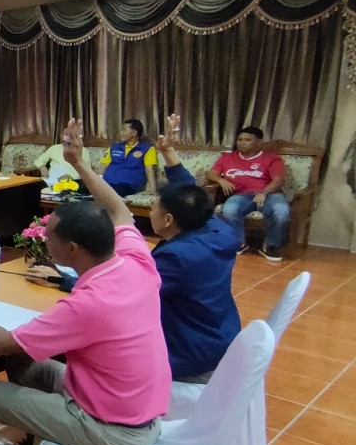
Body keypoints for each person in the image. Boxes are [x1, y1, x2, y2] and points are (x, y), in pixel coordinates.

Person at [0, 118, 169, 445]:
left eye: (49, 236)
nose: (44, 240)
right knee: (25, 367)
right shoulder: (136, 261)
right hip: (130, 409)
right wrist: (79, 163)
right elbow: (121, 211)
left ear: (71, 249)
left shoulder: (90, 303)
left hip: (109, 431)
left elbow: (6, 342)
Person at [31, 115, 241, 384]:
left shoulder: (178, 258)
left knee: (78, 342)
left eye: (154, 207)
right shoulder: (215, 228)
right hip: (219, 336)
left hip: (187, 354)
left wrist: (63, 280)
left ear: (168, 220)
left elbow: (120, 293)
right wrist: (168, 152)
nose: (150, 212)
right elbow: (189, 189)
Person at [207, 125, 290, 262]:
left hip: (269, 194)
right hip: (241, 195)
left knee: (281, 211)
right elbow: (211, 173)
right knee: (229, 209)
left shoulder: (272, 159)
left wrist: (264, 192)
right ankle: (239, 242)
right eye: (240, 140)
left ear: (259, 142)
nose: (242, 143)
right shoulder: (227, 157)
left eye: (247, 140)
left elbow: (279, 181)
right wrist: (221, 180)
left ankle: (270, 245)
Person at [97, 118, 158, 196]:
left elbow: (149, 169)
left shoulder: (147, 149)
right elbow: (103, 165)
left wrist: (153, 190)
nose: (121, 133)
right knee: (85, 186)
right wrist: (97, 181)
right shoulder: (114, 147)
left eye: (124, 130)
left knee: (111, 190)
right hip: (107, 184)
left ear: (134, 133)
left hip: (128, 186)